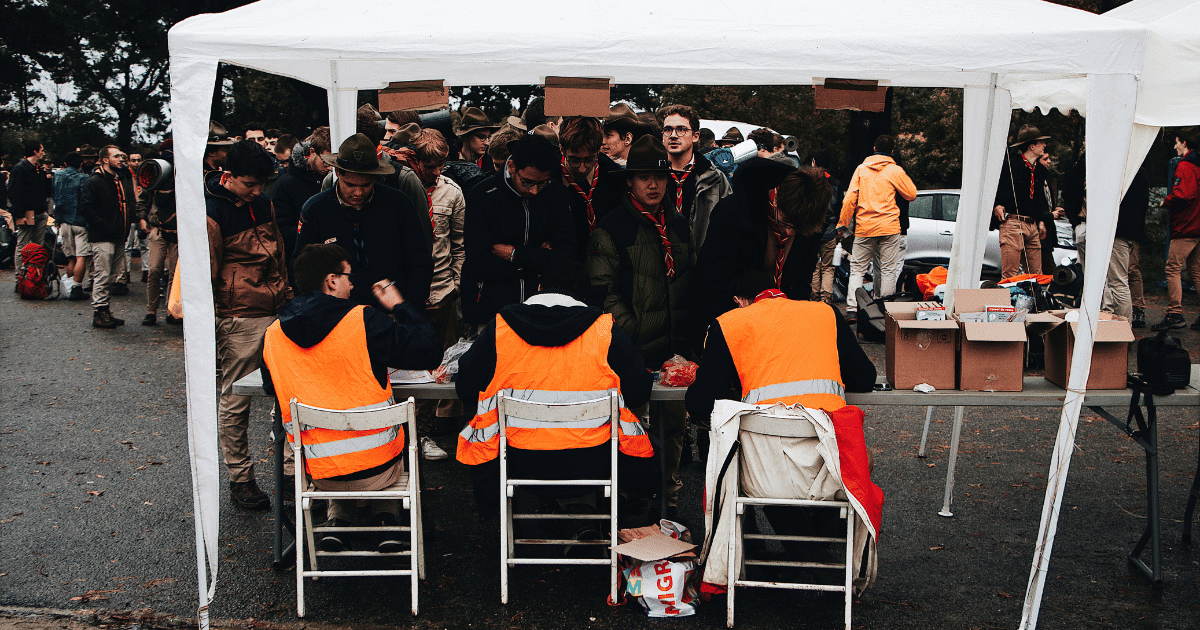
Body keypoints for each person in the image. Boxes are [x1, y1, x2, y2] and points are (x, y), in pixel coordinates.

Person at [261, 243, 442, 551]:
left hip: (317, 471)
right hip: (379, 467)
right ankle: (388, 517)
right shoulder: (364, 320)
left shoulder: (274, 334)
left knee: (336, 443)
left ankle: (338, 518)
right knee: (395, 437)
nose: (353, 283)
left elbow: (271, 387)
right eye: (348, 276)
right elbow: (430, 350)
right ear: (332, 281)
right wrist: (399, 306)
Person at [455, 261, 657, 523]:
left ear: (539, 288)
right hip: (594, 461)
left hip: (516, 461)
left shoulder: (501, 327)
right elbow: (639, 392)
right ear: (583, 297)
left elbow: (466, 389)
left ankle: (505, 527)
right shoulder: (604, 330)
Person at [586, 135, 692, 516]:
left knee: (673, 431)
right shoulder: (611, 229)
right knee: (632, 430)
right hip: (631, 353)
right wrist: (632, 338)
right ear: (629, 181)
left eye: (660, 177)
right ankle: (631, 501)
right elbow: (605, 293)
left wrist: (687, 341)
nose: (653, 185)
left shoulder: (679, 226)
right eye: (644, 177)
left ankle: (669, 500)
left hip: (674, 353)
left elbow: (690, 284)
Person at [206, 140, 294, 510]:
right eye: (249, 184)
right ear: (227, 177)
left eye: (261, 184)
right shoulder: (211, 212)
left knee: (290, 390)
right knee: (237, 397)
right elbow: (207, 271)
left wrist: (287, 292)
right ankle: (240, 477)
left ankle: (291, 469)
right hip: (239, 314)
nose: (256, 191)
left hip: (276, 307)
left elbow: (279, 253)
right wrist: (217, 316)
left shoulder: (264, 203)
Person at [686, 269, 875, 425]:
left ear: (738, 301)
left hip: (764, 443)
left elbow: (702, 405)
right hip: (828, 439)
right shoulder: (827, 313)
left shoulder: (729, 323)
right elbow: (864, 378)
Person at [688, 160, 834, 349]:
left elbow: (801, 283)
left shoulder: (807, 226)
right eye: (787, 223)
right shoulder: (733, 213)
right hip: (733, 322)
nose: (790, 233)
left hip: (781, 328)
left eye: (797, 229)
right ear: (776, 200)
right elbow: (711, 281)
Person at [296, 133, 433, 311]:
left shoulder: (399, 205)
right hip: (338, 318)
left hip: (392, 315)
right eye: (350, 185)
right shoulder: (315, 210)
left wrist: (408, 311)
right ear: (337, 173)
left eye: (366, 185)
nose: (359, 193)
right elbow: (302, 269)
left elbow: (420, 262)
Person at [460, 134, 576, 329]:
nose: (535, 191)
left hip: (542, 309)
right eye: (527, 182)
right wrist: (539, 257)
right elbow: (478, 262)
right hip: (491, 310)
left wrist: (514, 254)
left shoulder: (557, 194)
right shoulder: (482, 196)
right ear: (512, 166)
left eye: (542, 183)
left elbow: (565, 256)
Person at [408, 128, 467, 457]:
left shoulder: (452, 193)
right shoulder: (403, 187)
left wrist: (455, 284)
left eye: (440, 165)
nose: (434, 173)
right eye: (429, 166)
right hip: (409, 296)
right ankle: (402, 431)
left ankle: (425, 432)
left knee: (436, 368)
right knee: (407, 364)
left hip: (443, 291)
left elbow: (459, 244)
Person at [837, 134, 917, 314]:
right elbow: (911, 194)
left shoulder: (861, 169)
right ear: (892, 151)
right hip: (889, 226)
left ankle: (853, 308)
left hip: (865, 227)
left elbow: (850, 199)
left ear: (874, 149)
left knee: (857, 268)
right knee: (888, 269)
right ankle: (885, 308)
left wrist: (843, 224)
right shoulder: (895, 170)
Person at [656, 104, 732, 257]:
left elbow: (728, 227)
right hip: (659, 262)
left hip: (702, 262)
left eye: (681, 129)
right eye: (668, 129)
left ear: (696, 136)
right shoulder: (651, 175)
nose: (673, 135)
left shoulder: (715, 179)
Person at [79, 146, 135, 329]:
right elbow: (86, 208)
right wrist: (103, 224)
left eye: (122, 155)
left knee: (110, 275)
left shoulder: (118, 179)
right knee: (102, 274)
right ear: (104, 159)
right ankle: (99, 312)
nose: (121, 159)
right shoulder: (94, 181)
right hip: (103, 235)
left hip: (118, 234)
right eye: (116, 156)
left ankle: (105, 309)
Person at [558, 116, 625, 261]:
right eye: (574, 160)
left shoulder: (615, 178)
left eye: (589, 160)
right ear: (561, 149)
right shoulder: (549, 179)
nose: (582, 169)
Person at [992, 124, 1054, 279]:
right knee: (1010, 275)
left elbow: (1039, 199)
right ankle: (1007, 302)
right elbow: (993, 186)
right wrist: (996, 205)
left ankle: (1033, 303)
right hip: (1013, 223)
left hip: (1032, 225)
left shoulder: (1039, 170)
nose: (1044, 146)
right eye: (1041, 143)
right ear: (1032, 146)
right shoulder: (1012, 164)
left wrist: (1040, 220)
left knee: (1036, 276)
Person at [270, 126, 332, 276]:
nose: (330, 167)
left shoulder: (333, 178)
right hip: (302, 266)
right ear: (311, 153)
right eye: (325, 160)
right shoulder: (285, 185)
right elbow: (280, 230)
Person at [1155, 127, 1200, 331]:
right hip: (1197, 225)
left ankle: (1174, 314)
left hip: (1185, 226)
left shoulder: (1186, 165)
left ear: (1185, 143)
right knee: (1196, 270)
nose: (1175, 146)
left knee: (1172, 269)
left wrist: (1167, 201)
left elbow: (1183, 194)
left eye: (1177, 142)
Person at [138, 141, 180, 326]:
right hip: (157, 228)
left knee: (173, 273)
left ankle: (171, 310)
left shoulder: (181, 173)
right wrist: (142, 219)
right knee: (154, 270)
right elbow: (143, 198)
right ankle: (151, 310)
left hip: (178, 230)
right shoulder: (155, 173)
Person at [7, 141, 50, 279]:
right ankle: (20, 276)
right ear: (34, 151)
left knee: (38, 246)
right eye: (41, 150)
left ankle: (35, 276)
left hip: (39, 211)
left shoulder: (37, 168)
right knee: (23, 245)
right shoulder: (20, 169)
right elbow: (15, 192)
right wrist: (20, 214)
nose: (43, 152)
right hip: (27, 212)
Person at [52, 151, 91, 301]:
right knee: (81, 256)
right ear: (80, 164)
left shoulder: (58, 176)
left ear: (65, 163)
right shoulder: (83, 178)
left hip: (64, 221)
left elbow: (54, 195)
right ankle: (76, 287)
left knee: (70, 257)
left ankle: (68, 285)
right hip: (80, 221)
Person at [809, 151, 844, 304]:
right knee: (828, 267)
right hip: (830, 229)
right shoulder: (835, 183)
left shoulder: (809, 181)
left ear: (814, 162)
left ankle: (814, 296)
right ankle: (826, 298)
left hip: (811, 228)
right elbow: (840, 208)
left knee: (813, 266)